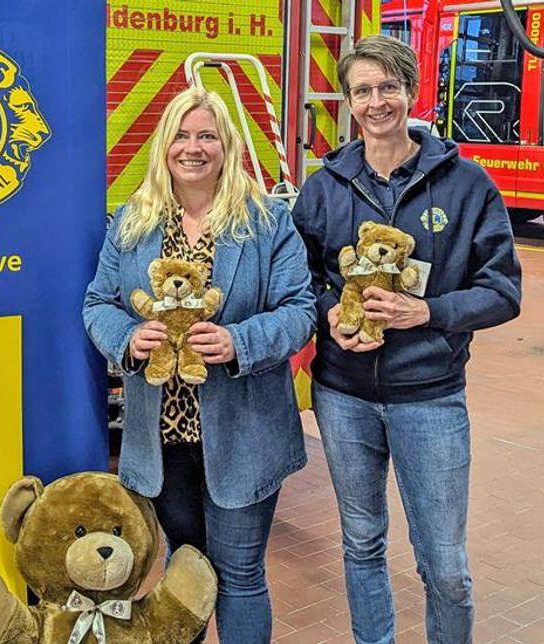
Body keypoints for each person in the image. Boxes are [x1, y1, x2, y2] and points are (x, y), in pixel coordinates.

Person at [292, 35, 521, 644]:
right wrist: (330, 318)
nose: (376, 102)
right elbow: (300, 282)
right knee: (362, 542)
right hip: (343, 396)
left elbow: (502, 291)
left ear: (410, 91)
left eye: (387, 87)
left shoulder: (467, 186)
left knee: (444, 564)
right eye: (362, 90)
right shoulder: (323, 187)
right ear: (347, 101)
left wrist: (427, 312)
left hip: (431, 396)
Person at [83, 86, 315, 643]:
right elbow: (98, 304)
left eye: (206, 135)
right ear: (164, 145)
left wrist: (240, 342)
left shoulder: (264, 222)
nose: (194, 148)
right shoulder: (133, 222)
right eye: (182, 136)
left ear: (225, 146)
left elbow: (301, 310)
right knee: (184, 570)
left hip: (245, 435)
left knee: (238, 575)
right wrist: (131, 338)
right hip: (161, 441)